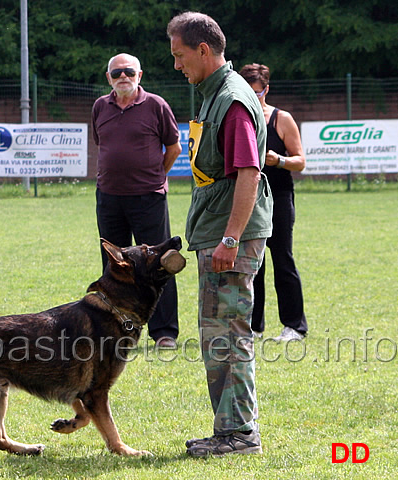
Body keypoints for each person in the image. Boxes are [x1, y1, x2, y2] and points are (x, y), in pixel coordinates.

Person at [167, 12, 272, 456]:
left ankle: (239, 435)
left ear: (203, 50)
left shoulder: (230, 99)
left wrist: (230, 239)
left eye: (180, 55)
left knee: (228, 335)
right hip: (219, 228)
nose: (177, 65)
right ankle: (229, 429)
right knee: (219, 333)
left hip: (232, 235)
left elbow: (248, 172)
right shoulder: (214, 95)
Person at [92, 53, 182, 348]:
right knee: (113, 266)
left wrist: (155, 176)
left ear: (139, 75)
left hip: (149, 198)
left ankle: (164, 332)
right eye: (116, 73)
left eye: (128, 71)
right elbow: (101, 144)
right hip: (109, 197)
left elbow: (174, 147)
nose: (123, 77)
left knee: (160, 265)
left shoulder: (156, 105)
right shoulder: (100, 107)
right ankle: (115, 327)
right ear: (109, 78)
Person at [239, 63, 308, 342]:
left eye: (257, 93)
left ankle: (294, 325)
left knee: (282, 259)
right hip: (248, 199)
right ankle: (254, 326)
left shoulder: (281, 118)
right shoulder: (239, 117)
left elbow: (300, 161)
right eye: (247, 92)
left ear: (266, 89)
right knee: (253, 264)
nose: (252, 98)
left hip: (278, 197)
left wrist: (278, 160)